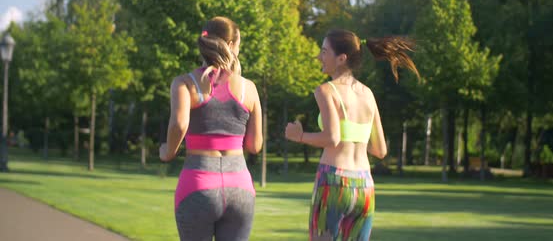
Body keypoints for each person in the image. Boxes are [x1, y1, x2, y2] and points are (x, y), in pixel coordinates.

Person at [285, 29, 419, 241]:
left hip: (334, 182)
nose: (319, 57)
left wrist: (299, 136)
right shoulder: (367, 93)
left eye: (324, 51)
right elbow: (380, 150)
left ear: (341, 58)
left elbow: (332, 138)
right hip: (365, 186)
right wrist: (353, 136)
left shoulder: (326, 90)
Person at [160, 16, 263, 241]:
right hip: (240, 187)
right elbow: (255, 146)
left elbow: (179, 124)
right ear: (234, 45)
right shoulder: (249, 88)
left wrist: (168, 151)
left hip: (198, 183)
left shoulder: (185, 83)